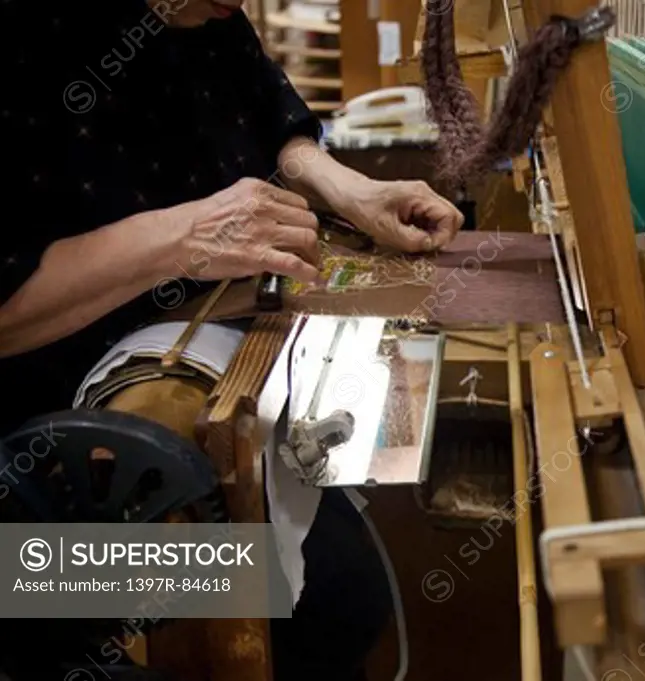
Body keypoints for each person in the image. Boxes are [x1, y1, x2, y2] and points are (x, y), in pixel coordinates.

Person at [0, 0, 463, 678]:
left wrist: (348, 189)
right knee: (317, 598)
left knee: (344, 574)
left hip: (184, 397)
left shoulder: (204, 14)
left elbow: (270, 120)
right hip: (29, 515)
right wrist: (182, 239)